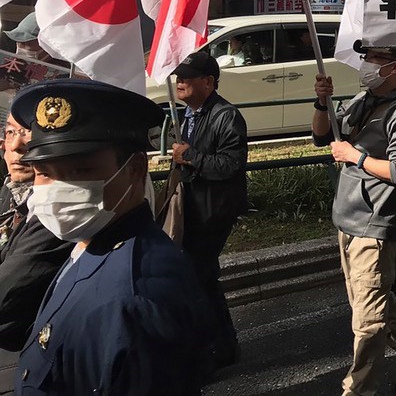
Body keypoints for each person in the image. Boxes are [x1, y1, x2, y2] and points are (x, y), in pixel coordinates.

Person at [10, 79, 209, 394]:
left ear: (135, 168)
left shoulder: (135, 298)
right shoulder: (90, 242)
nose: (57, 191)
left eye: (80, 171)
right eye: (45, 172)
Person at [313, 44, 396, 395]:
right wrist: (322, 102)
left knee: (368, 321)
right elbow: (322, 135)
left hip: (376, 222)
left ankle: (358, 389)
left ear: (394, 68)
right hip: (348, 218)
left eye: (375, 60)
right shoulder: (362, 100)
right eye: (366, 59)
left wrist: (355, 158)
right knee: (371, 301)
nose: (367, 66)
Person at [170, 51, 248, 369]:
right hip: (196, 207)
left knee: (200, 276)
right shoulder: (191, 113)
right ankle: (218, 343)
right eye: (179, 76)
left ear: (209, 81)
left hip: (215, 210)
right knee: (202, 277)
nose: (180, 81)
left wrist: (190, 157)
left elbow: (230, 165)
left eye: (188, 77)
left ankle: (218, 346)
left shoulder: (225, 115)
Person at [0, 115, 73, 352]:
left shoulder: (57, 208)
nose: (14, 146)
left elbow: (8, 289)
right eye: (10, 132)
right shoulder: (11, 192)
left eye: (28, 132)